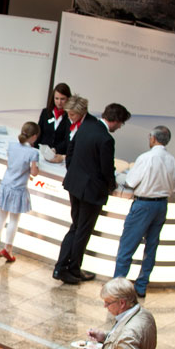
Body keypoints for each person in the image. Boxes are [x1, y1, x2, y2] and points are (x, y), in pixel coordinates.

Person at [55, 99, 130, 285]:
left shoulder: (86, 126)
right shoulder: (106, 139)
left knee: (75, 227)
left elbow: (71, 153)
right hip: (91, 192)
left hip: (75, 185)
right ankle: (71, 269)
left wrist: (74, 173)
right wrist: (111, 185)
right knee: (82, 231)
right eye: (120, 124)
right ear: (116, 120)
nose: (119, 127)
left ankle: (61, 266)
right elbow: (106, 170)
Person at [114, 126, 175, 297]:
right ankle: (141, 286)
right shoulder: (172, 160)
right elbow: (174, 189)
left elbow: (131, 181)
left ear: (153, 138)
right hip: (161, 206)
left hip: (143, 205)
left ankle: (118, 287)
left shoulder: (146, 158)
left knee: (127, 246)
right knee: (151, 247)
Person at [84, 277, 157, 349]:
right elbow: (122, 338)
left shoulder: (130, 333)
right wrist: (104, 336)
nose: (105, 306)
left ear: (122, 303)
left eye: (108, 303)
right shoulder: (143, 313)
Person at [0, 121, 40, 262]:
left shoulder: (12, 146)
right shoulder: (33, 152)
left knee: (1, 215)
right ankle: (8, 249)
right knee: (14, 220)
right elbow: (34, 172)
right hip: (18, 188)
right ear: (35, 136)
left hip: (5, 184)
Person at [38, 83, 73, 158]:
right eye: (56, 98)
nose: (59, 102)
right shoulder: (45, 112)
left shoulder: (70, 116)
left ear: (68, 99)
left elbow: (67, 139)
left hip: (59, 155)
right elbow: (39, 132)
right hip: (42, 153)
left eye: (62, 99)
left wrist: (55, 149)